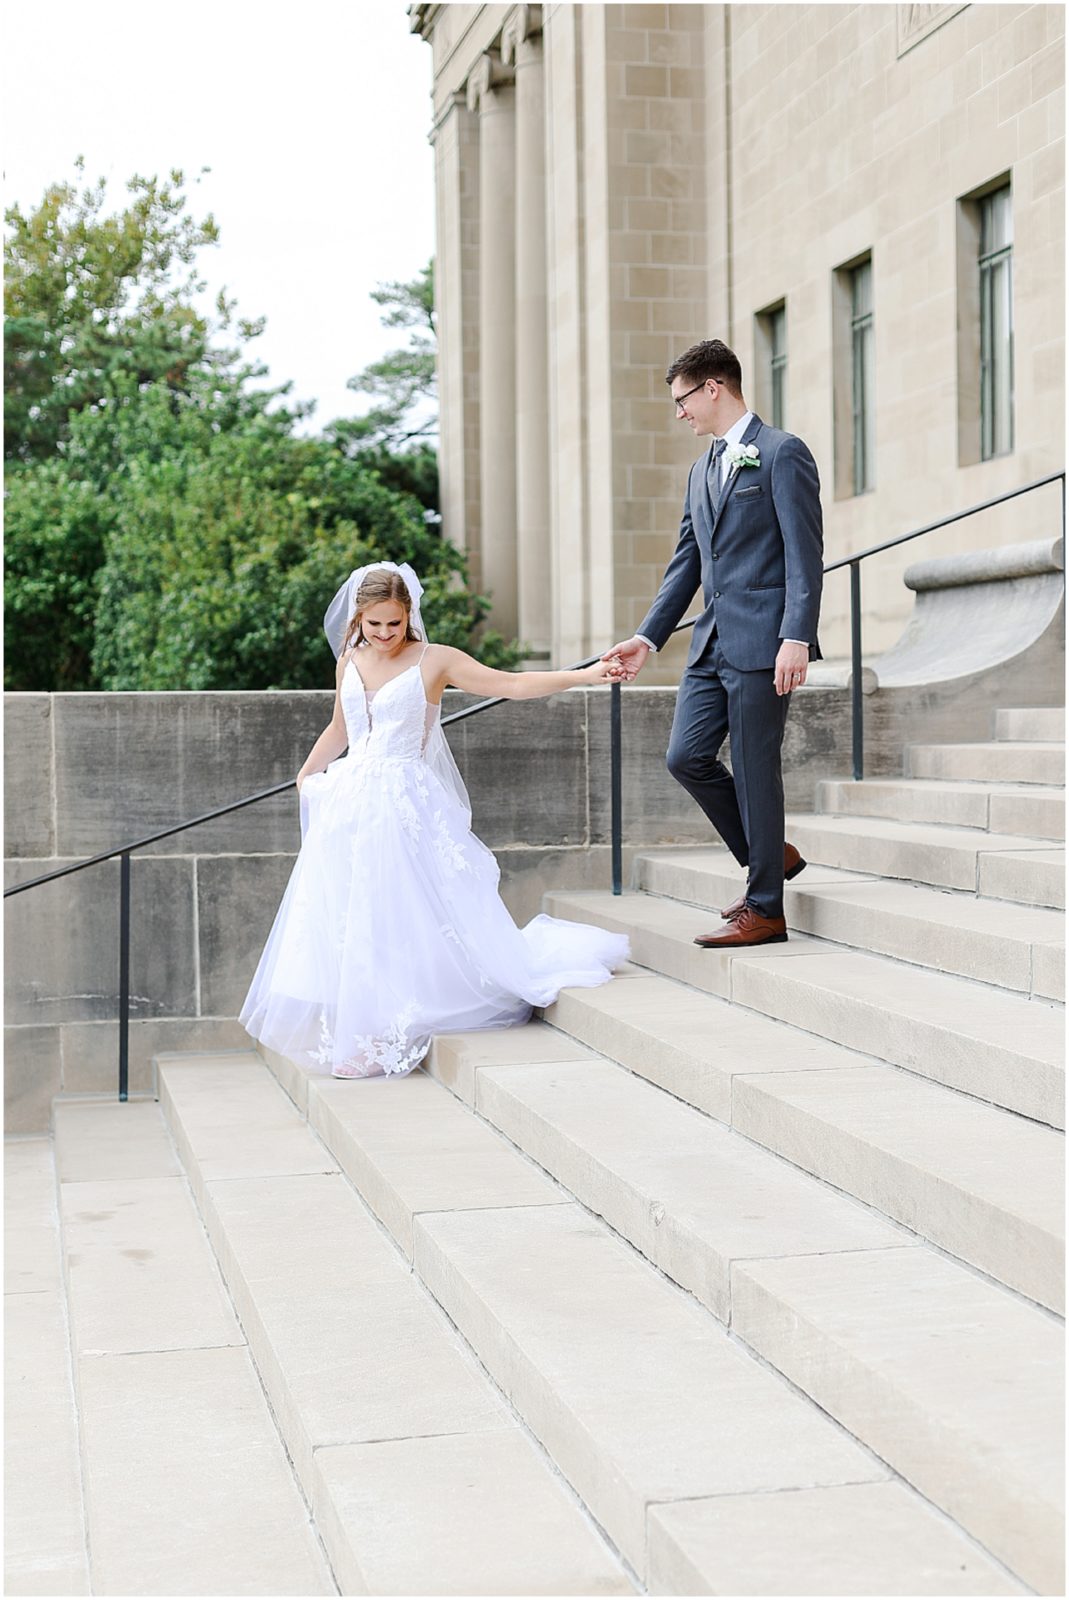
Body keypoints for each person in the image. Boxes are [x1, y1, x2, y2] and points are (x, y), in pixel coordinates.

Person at [240, 561, 629, 1079]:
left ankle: (379, 1035)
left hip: (404, 803)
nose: (382, 635)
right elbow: (342, 727)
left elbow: (510, 684)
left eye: (393, 624)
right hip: (351, 801)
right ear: (359, 618)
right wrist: (307, 773)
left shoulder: (435, 660)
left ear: (409, 618)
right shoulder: (349, 661)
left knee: (389, 914)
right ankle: (362, 1028)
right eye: (373, 624)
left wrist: (588, 674)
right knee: (351, 916)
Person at [603, 339, 823, 947]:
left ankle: (766, 910)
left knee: (756, 772)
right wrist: (648, 636)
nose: (679, 414)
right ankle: (770, 855)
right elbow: (686, 563)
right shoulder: (701, 469)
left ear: (714, 388)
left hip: (765, 644)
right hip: (710, 645)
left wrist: (796, 636)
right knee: (686, 757)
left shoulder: (783, 454)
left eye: (682, 400)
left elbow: (806, 556)